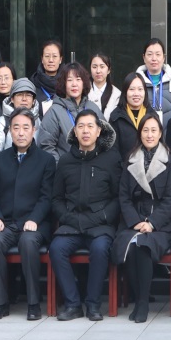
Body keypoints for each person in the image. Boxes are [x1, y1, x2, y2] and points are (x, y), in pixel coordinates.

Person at [0, 106, 56, 322]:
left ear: (34, 130)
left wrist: (34, 219)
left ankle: (33, 303)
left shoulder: (46, 160)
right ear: (9, 131)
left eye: (26, 127)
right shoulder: (0, 159)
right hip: (6, 223)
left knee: (28, 241)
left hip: (34, 223)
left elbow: (47, 197)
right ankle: (1, 303)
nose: (21, 133)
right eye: (16, 128)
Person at [51, 110, 121, 322]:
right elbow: (56, 199)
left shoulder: (111, 159)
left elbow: (118, 198)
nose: (85, 131)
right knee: (56, 249)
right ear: (75, 131)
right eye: (81, 126)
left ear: (99, 131)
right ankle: (73, 304)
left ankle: (93, 304)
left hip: (100, 224)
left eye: (90, 126)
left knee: (100, 249)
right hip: (72, 224)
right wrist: (68, 218)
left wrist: (101, 217)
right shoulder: (65, 161)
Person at [114, 115, 171, 323]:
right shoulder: (131, 159)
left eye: (153, 130)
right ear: (139, 133)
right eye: (145, 130)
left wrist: (151, 223)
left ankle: (142, 303)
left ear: (160, 134)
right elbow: (123, 196)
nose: (149, 135)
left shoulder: (170, 160)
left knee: (143, 245)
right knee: (131, 246)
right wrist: (135, 222)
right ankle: (139, 298)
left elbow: (170, 199)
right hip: (133, 221)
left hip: (159, 225)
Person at [38, 62, 103, 161]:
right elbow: (46, 145)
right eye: (69, 80)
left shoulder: (93, 108)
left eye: (78, 79)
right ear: (63, 84)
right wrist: (61, 166)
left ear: (84, 83)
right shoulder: (54, 111)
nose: (74, 84)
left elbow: (105, 138)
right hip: (67, 168)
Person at [0, 78, 40, 159]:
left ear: (33, 100)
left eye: (28, 95)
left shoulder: (39, 121)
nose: (24, 99)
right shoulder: (2, 122)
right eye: (20, 94)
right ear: (12, 99)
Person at [110, 72, 157, 161]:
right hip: (124, 167)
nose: (136, 93)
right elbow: (113, 151)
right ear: (125, 92)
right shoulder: (116, 117)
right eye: (132, 89)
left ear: (145, 92)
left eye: (140, 89)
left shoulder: (153, 116)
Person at [137, 38, 171, 126]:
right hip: (144, 133)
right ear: (144, 57)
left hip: (169, 133)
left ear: (163, 57)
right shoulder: (136, 82)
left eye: (158, 54)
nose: (154, 58)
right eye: (149, 54)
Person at [88, 53, 122, 122]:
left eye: (102, 67)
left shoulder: (117, 94)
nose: (98, 71)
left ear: (108, 70)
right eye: (94, 67)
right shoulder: (83, 92)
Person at [31, 40, 64, 111]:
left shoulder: (67, 83)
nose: (51, 60)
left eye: (55, 56)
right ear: (42, 59)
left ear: (60, 59)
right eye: (47, 56)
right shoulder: (33, 84)